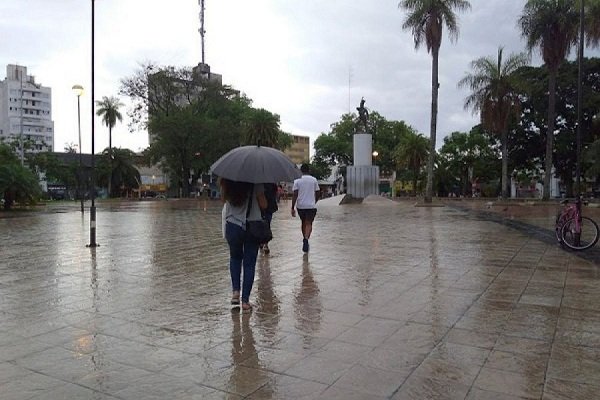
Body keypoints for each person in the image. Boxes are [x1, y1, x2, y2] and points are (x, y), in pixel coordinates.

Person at [220, 178, 267, 312]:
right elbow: (263, 204)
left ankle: (235, 292)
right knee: (249, 264)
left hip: (233, 225)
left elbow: (223, 200)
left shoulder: (227, 180)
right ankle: (245, 301)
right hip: (252, 226)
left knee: (235, 258)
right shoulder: (256, 181)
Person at [291, 164, 320, 253]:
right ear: (309, 170)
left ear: (301, 171)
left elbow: (295, 194)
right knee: (309, 223)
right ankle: (306, 239)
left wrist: (292, 207)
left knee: (303, 222)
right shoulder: (314, 180)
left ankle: (304, 237)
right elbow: (318, 192)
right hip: (311, 206)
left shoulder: (297, 180)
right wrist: (314, 201)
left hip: (301, 206)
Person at [260, 183, 278, 254]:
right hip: (268, 207)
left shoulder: (258, 183)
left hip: (263, 208)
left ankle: (263, 243)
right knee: (267, 225)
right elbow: (275, 194)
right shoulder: (272, 183)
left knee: (263, 225)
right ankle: (264, 244)